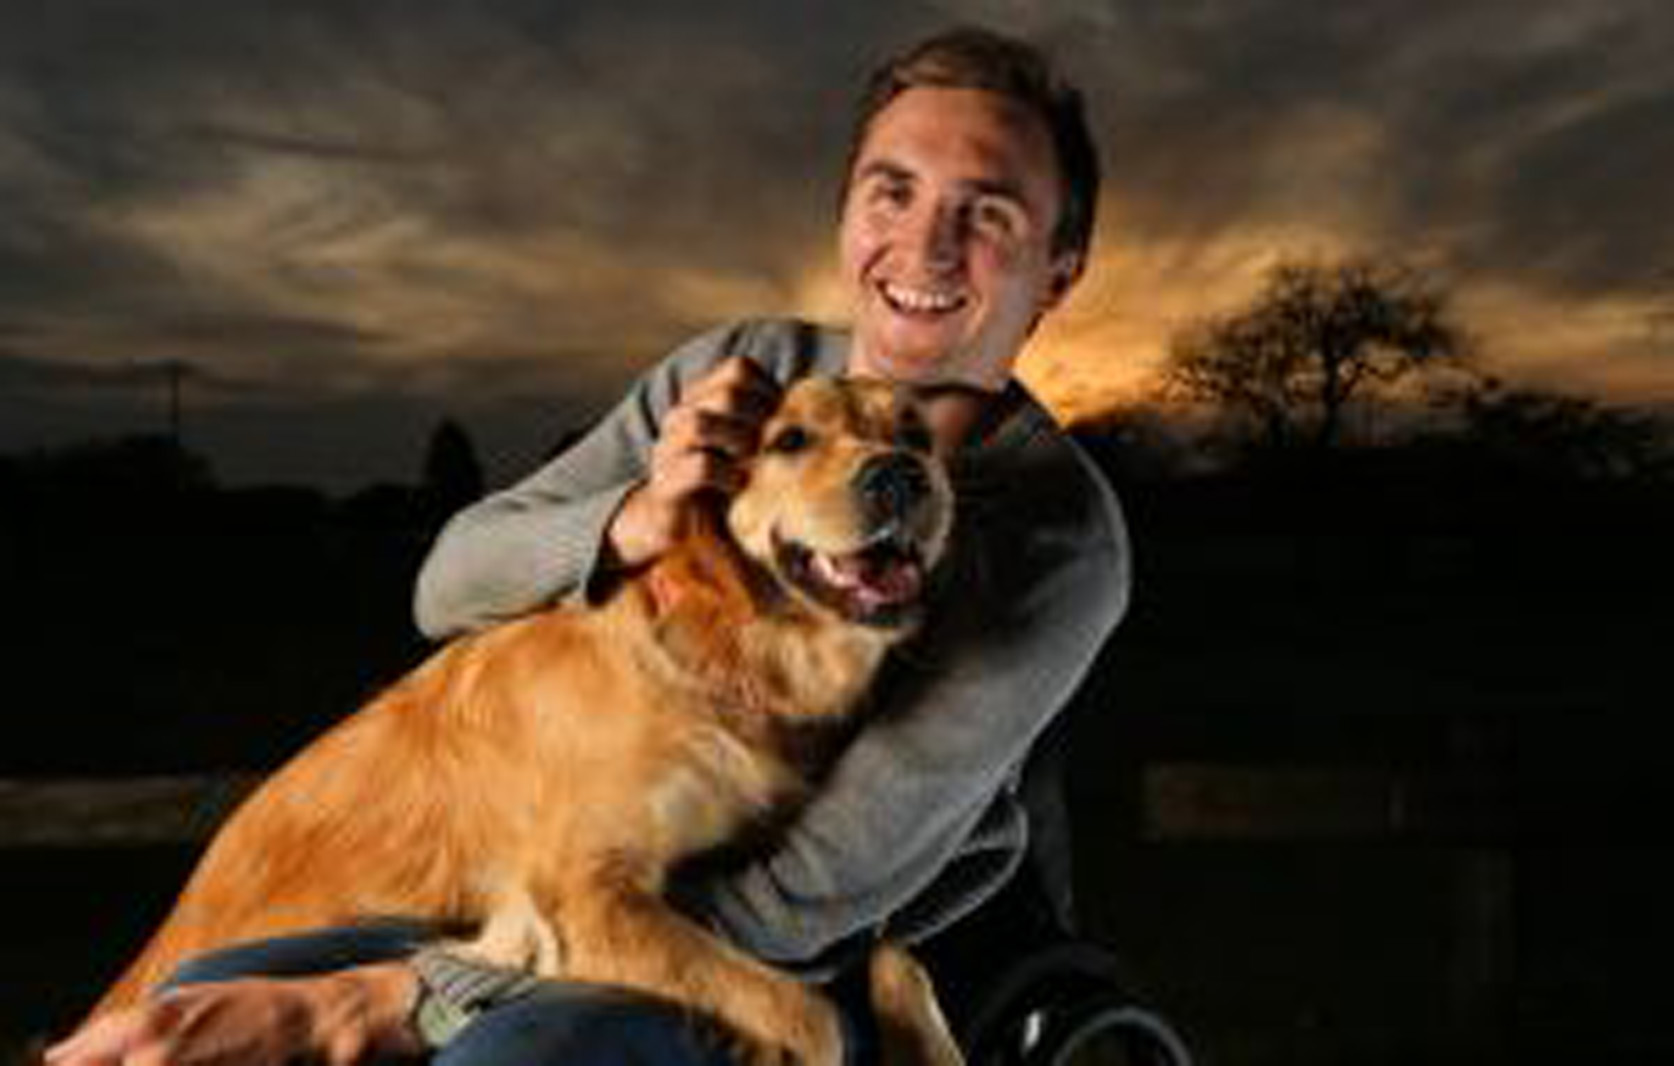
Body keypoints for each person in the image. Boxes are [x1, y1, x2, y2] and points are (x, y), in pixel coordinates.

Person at [48, 25, 1128, 1066]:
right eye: (892, 191)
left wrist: (413, 996)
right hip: (586, 889)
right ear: (847, 213)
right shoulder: (736, 369)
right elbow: (448, 584)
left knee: (513, 1049)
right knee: (224, 981)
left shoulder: (1057, 534)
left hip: (808, 937)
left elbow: (798, 902)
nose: (927, 244)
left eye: (986, 213)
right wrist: (635, 517)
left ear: (1060, 271)